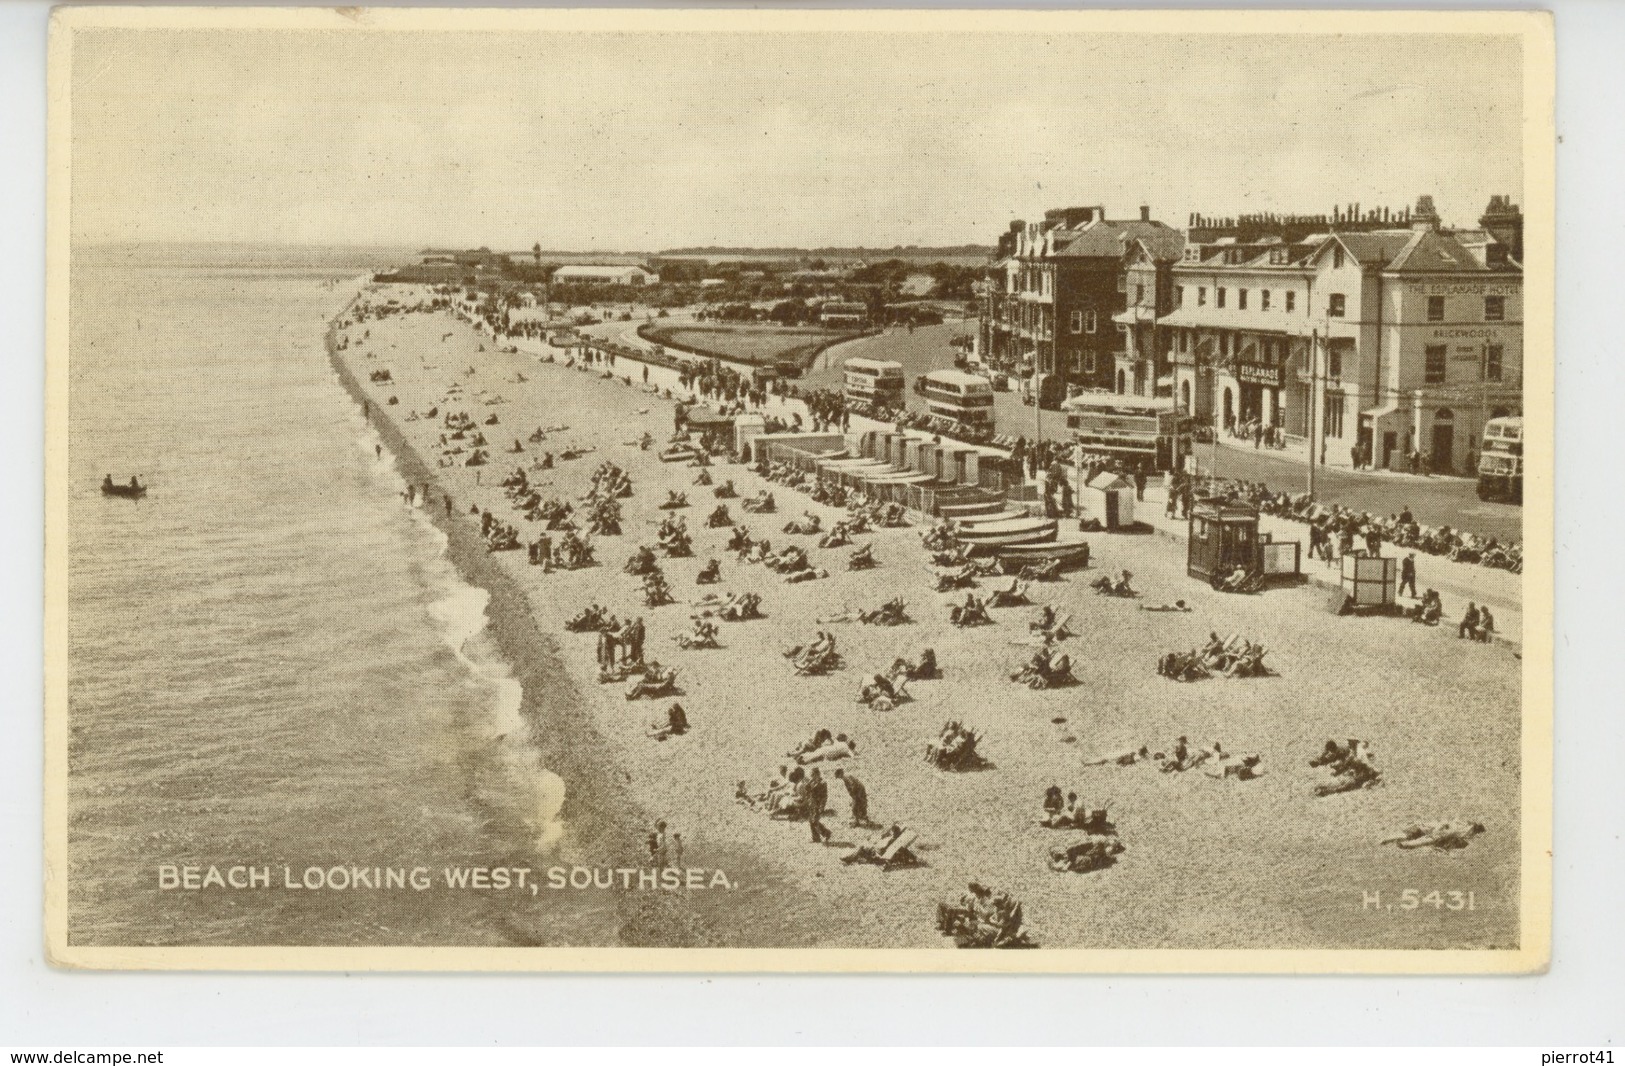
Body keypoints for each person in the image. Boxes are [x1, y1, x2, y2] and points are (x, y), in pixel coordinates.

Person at [805, 769, 832, 843]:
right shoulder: (812, 782)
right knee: (811, 821)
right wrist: (810, 782)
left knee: (815, 821)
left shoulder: (823, 783)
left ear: (818, 774)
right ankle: (816, 838)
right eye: (811, 775)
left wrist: (822, 806)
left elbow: (824, 796)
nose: (812, 776)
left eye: (813, 775)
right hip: (812, 804)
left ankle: (826, 833)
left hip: (818, 804)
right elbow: (807, 790)